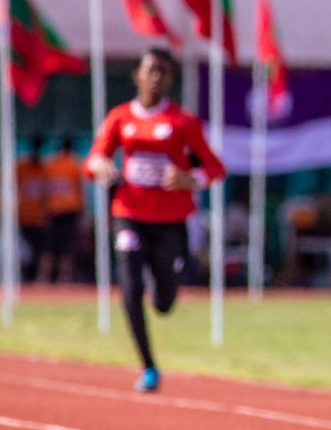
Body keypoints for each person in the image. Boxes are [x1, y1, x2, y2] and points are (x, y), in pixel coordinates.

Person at [85, 48, 226, 391]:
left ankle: (166, 287)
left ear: (171, 79)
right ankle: (149, 365)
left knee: (163, 302)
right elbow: (93, 160)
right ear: (137, 75)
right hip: (129, 214)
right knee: (130, 286)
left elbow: (215, 167)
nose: (156, 77)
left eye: (163, 72)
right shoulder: (120, 118)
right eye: (150, 70)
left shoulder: (182, 122)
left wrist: (191, 178)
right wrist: (100, 167)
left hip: (171, 220)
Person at [40, 136, 85, 283]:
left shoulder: (50, 164)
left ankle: (44, 277)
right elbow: (80, 189)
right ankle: (63, 278)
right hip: (70, 210)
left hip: (53, 210)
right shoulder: (75, 163)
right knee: (66, 246)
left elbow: (44, 190)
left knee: (49, 246)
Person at [17, 136, 49, 281]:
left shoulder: (45, 169)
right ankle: (23, 277)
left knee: (39, 250)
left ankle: (36, 277)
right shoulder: (21, 168)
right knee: (23, 251)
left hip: (40, 219)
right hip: (23, 218)